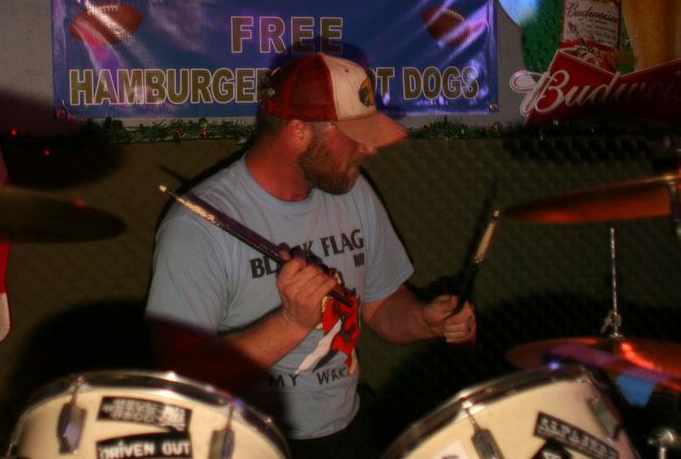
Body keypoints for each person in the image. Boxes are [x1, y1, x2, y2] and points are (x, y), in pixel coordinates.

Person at [145, 52, 476, 458]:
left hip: (348, 429)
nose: (369, 148)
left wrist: (424, 320)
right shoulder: (196, 227)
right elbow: (183, 377)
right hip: (253, 441)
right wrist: (290, 324)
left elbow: (380, 304)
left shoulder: (353, 192)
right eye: (355, 134)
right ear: (299, 132)